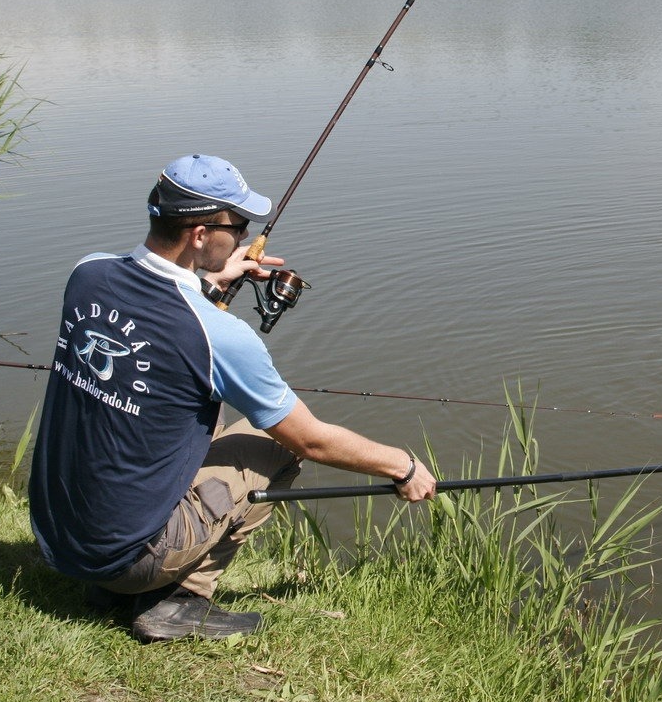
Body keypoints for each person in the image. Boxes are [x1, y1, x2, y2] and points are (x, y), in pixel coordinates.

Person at [28, 154, 436, 642]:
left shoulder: (88, 273)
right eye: (238, 226)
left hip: (57, 534)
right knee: (276, 447)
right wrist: (401, 465)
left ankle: (109, 584)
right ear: (200, 235)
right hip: (126, 557)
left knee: (182, 420)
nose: (244, 238)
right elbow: (313, 441)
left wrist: (208, 281)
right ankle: (178, 601)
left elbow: (156, 317)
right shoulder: (221, 335)